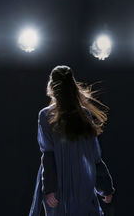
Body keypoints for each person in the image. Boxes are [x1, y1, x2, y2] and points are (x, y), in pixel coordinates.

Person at [29, 65, 115, 216]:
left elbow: (48, 154)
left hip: (61, 185)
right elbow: (94, 156)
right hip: (82, 180)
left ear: (52, 86)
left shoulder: (46, 115)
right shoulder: (85, 115)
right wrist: (105, 187)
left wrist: (50, 188)